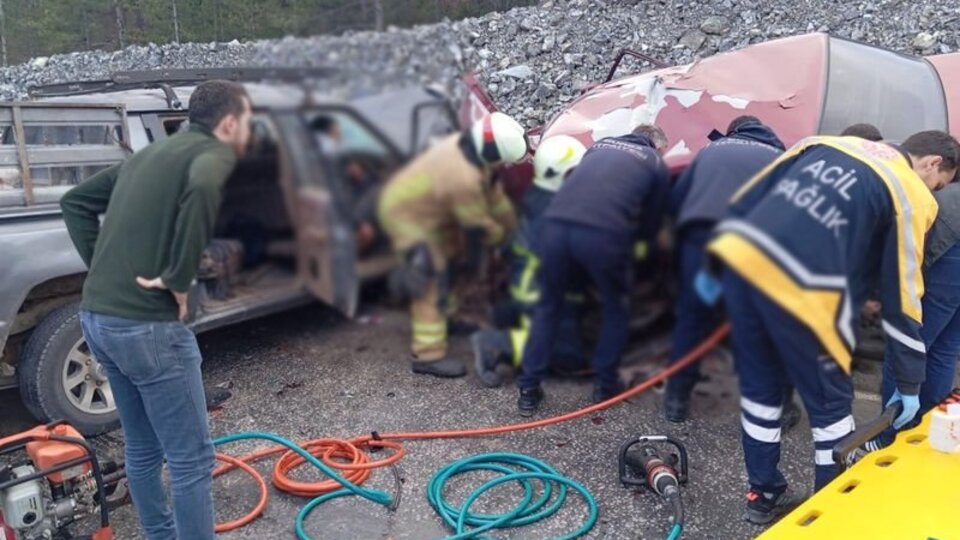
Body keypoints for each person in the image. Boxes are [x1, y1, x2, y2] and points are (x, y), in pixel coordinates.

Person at [705, 131, 958, 524]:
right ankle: (827, 512)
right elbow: (905, 294)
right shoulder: (911, 191)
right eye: (939, 184)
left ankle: (762, 495)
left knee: (761, 398)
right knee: (832, 414)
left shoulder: (820, 144)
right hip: (809, 300)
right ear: (930, 164)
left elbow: (747, 201)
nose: (936, 192)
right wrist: (909, 383)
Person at [60, 80, 252, 540]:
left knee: (143, 448)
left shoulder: (146, 157)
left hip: (98, 319)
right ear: (228, 123)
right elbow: (207, 187)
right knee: (191, 460)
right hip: (148, 328)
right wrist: (178, 277)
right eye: (248, 122)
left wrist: (103, 271)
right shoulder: (213, 156)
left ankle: (159, 535)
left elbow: (75, 202)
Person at [517, 124, 670, 416]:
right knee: (615, 307)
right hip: (602, 237)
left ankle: (528, 388)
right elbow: (651, 223)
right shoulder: (654, 163)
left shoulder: (599, 147)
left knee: (549, 306)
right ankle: (604, 385)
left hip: (556, 228)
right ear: (658, 145)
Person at [378, 111, 526, 378]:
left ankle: (449, 318)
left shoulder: (474, 151)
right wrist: (504, 241)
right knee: (430, 278)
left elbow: (496, 200)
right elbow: (478, 223)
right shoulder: (462, 175)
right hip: (407, 217)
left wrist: (515, 227)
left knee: (454, 263)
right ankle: (427, 355)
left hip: (433, 213)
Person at [665, 115, 787, 423]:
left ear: (734, 131)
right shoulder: (778, 157)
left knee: (692, 320)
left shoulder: (710, 151)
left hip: (702, 241)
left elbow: (677, 198)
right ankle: (773, 408)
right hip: (749, 246)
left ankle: (676, 400)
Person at [473, 135, 589, 387]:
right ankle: (497, 343)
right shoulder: (555, 211)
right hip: (537, 291)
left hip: (527, 282)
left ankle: (508, 314)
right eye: (576, 171)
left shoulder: (540, 192)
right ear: (561, 173)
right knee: (571, 357)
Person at [867, 179, 960, 449]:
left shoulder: (941, 194)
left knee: (907, 347)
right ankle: (926, 429)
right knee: (945, 350)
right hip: (952, 257)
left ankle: (888, 438)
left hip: (950, 258)